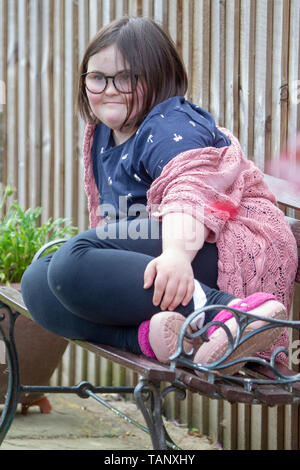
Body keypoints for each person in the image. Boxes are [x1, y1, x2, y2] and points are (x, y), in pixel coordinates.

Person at [21, 16, 298, 374]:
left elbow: (191, 189)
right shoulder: (103, 134)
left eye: (125, 78)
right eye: (97, 77)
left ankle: (233, 311)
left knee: (71, 262)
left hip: (219, 240)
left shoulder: (170, 124)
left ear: (157, 77)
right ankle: (152, 337)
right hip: (170, 247)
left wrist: (176, 256)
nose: (109, 89)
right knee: (38, 285)